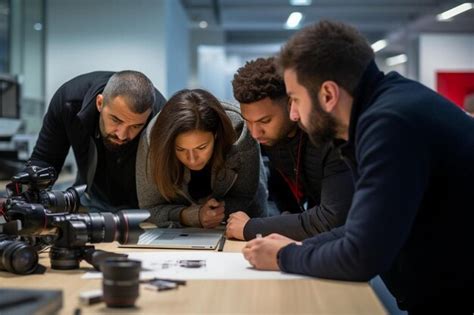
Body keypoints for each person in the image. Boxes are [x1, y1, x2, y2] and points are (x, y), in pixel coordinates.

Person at [243, 21, 474, 313]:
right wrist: (297, 248)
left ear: (328, 94)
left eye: (295, 99)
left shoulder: (389, 125)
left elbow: (360, 256)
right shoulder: (388, 105)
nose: (293, 114)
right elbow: (357, 229)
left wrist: (284, 257)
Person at [226, 57, 353, 241]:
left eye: (265, 121)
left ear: (290, 103)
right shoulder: (273, 138)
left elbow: (333, 219)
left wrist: (251, 228)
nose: (255, 133)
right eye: (248, 122)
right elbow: (283, 195)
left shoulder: (330, 137)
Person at [28, 71, 166, 211]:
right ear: (100, 103)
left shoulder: (163, 120)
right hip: (90, 198)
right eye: (116, 120)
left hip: (143, 210)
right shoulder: (68, 102)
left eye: (136, 126)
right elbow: (45, 160)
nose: (122, 135)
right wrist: (28, 201)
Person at [136, 89, 268, 228]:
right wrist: (188, 215)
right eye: (180, 149)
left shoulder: (241, 134)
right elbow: (149, 209)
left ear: (216, 135)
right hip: (177, 232)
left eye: (201, 147)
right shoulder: (153, 141)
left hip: (241, 224)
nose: (192, 159)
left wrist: (217, 212)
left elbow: (245, 197)